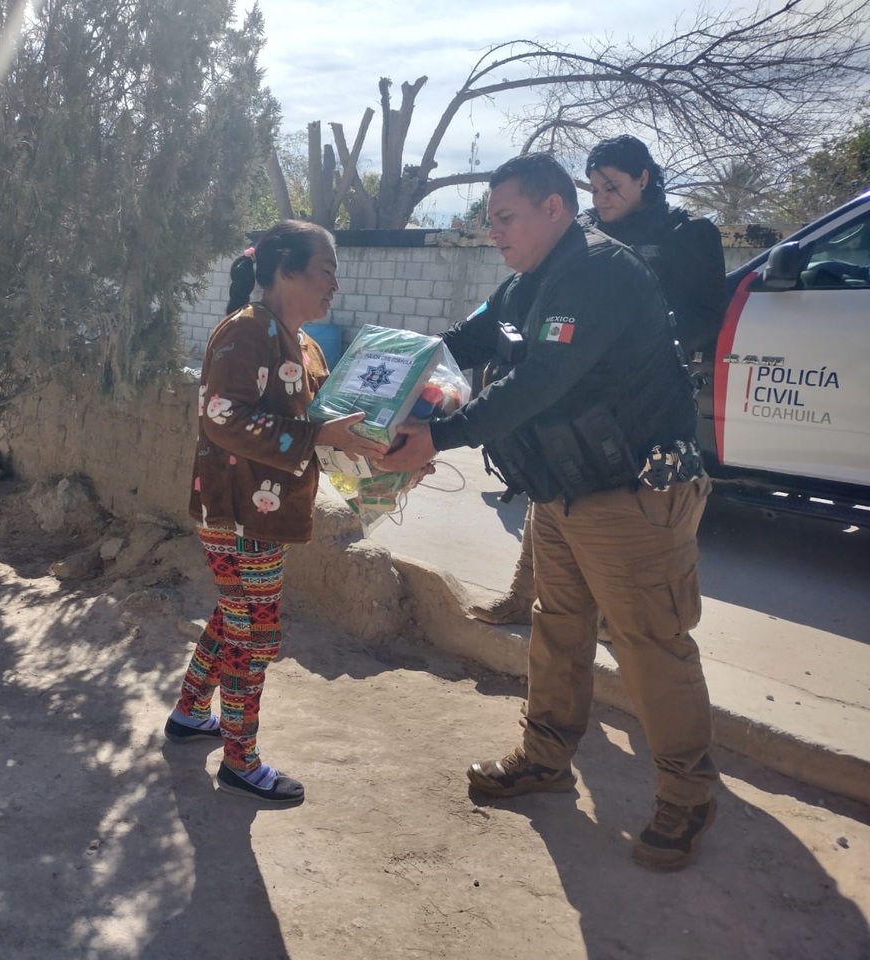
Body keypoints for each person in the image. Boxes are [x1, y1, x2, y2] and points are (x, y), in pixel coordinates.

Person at [378, 153, 719, 871]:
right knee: (558, 630)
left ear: (554, 210)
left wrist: (438, 435)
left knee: (650, 645)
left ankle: (687, 798)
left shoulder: (597, 271)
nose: (493, 231)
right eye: (489, 220)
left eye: (505, 217)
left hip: (632, 496)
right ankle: (544, 759)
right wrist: (394, 371)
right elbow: (471, 338)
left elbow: (542, 380)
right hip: (564, 490)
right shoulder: (531, 279)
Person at [164, 221, 386, 806]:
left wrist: (390, 458)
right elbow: (222, 418)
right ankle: (241, 760)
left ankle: (191, 715)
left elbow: (326, 429)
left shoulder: (306, 345)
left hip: (264, 514)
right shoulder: (247, 332)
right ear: (286, 270)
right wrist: (313, 435)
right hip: (238, 515)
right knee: (253, 634)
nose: (335, 285)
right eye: (326, 271)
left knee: (235, 617)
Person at [470, 135, 726, 627]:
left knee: (626, 533)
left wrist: (637, 336)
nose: (600, 198)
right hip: (572, 392)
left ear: (644, 179)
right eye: (594, 187)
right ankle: (523, 596)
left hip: (643, 399)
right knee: (549, 491)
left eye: (612, 186)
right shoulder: (580, 234)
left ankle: (614, 620)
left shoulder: (686, 233)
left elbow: (705, 314)